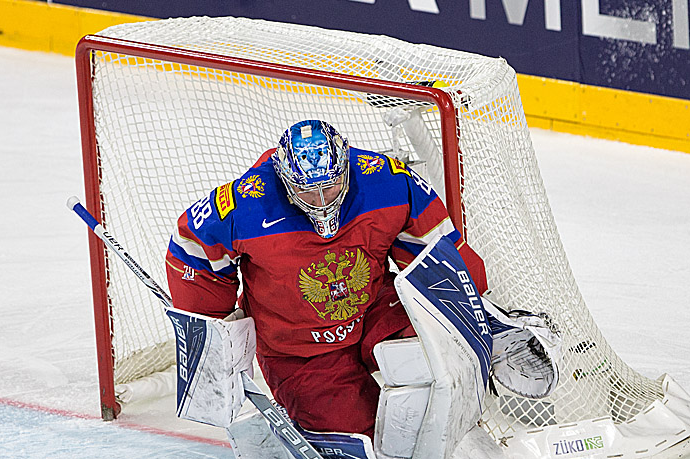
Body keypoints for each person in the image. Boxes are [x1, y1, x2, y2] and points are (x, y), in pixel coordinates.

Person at [165, 119, 488, 440]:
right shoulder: (244, 203)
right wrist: (212, 336)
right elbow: (190, 247)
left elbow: (437, 256)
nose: (321, 201)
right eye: (307, 190)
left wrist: (476, 321)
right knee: (363, 439)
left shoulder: (386, 181)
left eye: (330, 187)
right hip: (300, 348)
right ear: (284, 177)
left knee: (434, 378)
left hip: (375, 312)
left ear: (346, 167)